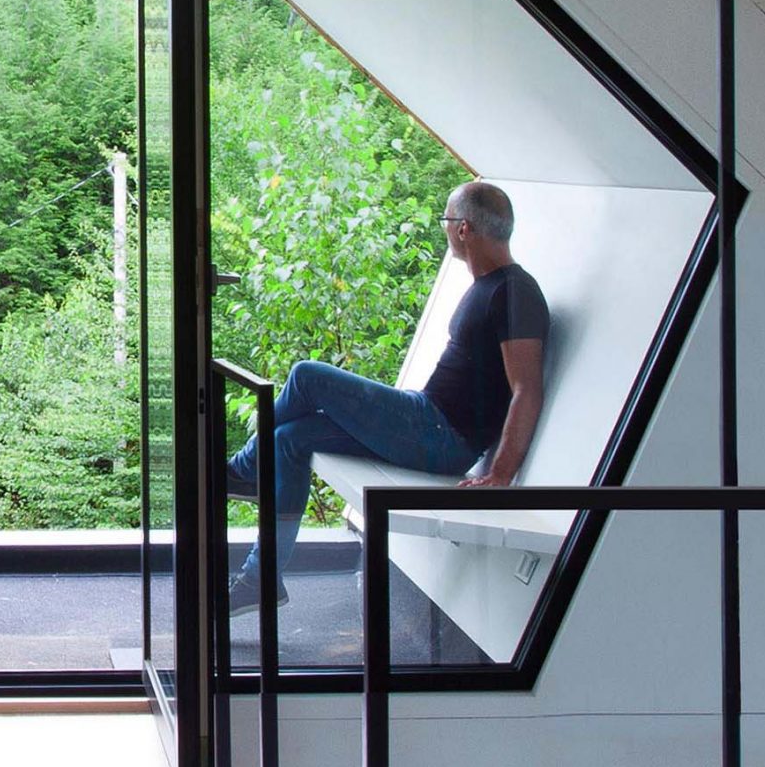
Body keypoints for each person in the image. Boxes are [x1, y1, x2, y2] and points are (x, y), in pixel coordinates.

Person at [226, 180, 548, 610]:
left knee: (307, 376)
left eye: (446, 221)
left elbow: (526, 387)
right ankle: (261, 577)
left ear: (464, 229)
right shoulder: (489, 286)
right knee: (289, 440)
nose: (445, 229)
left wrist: (501, 475)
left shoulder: (515, 291)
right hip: (428, 423)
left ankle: (242, 470)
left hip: (439, 432)